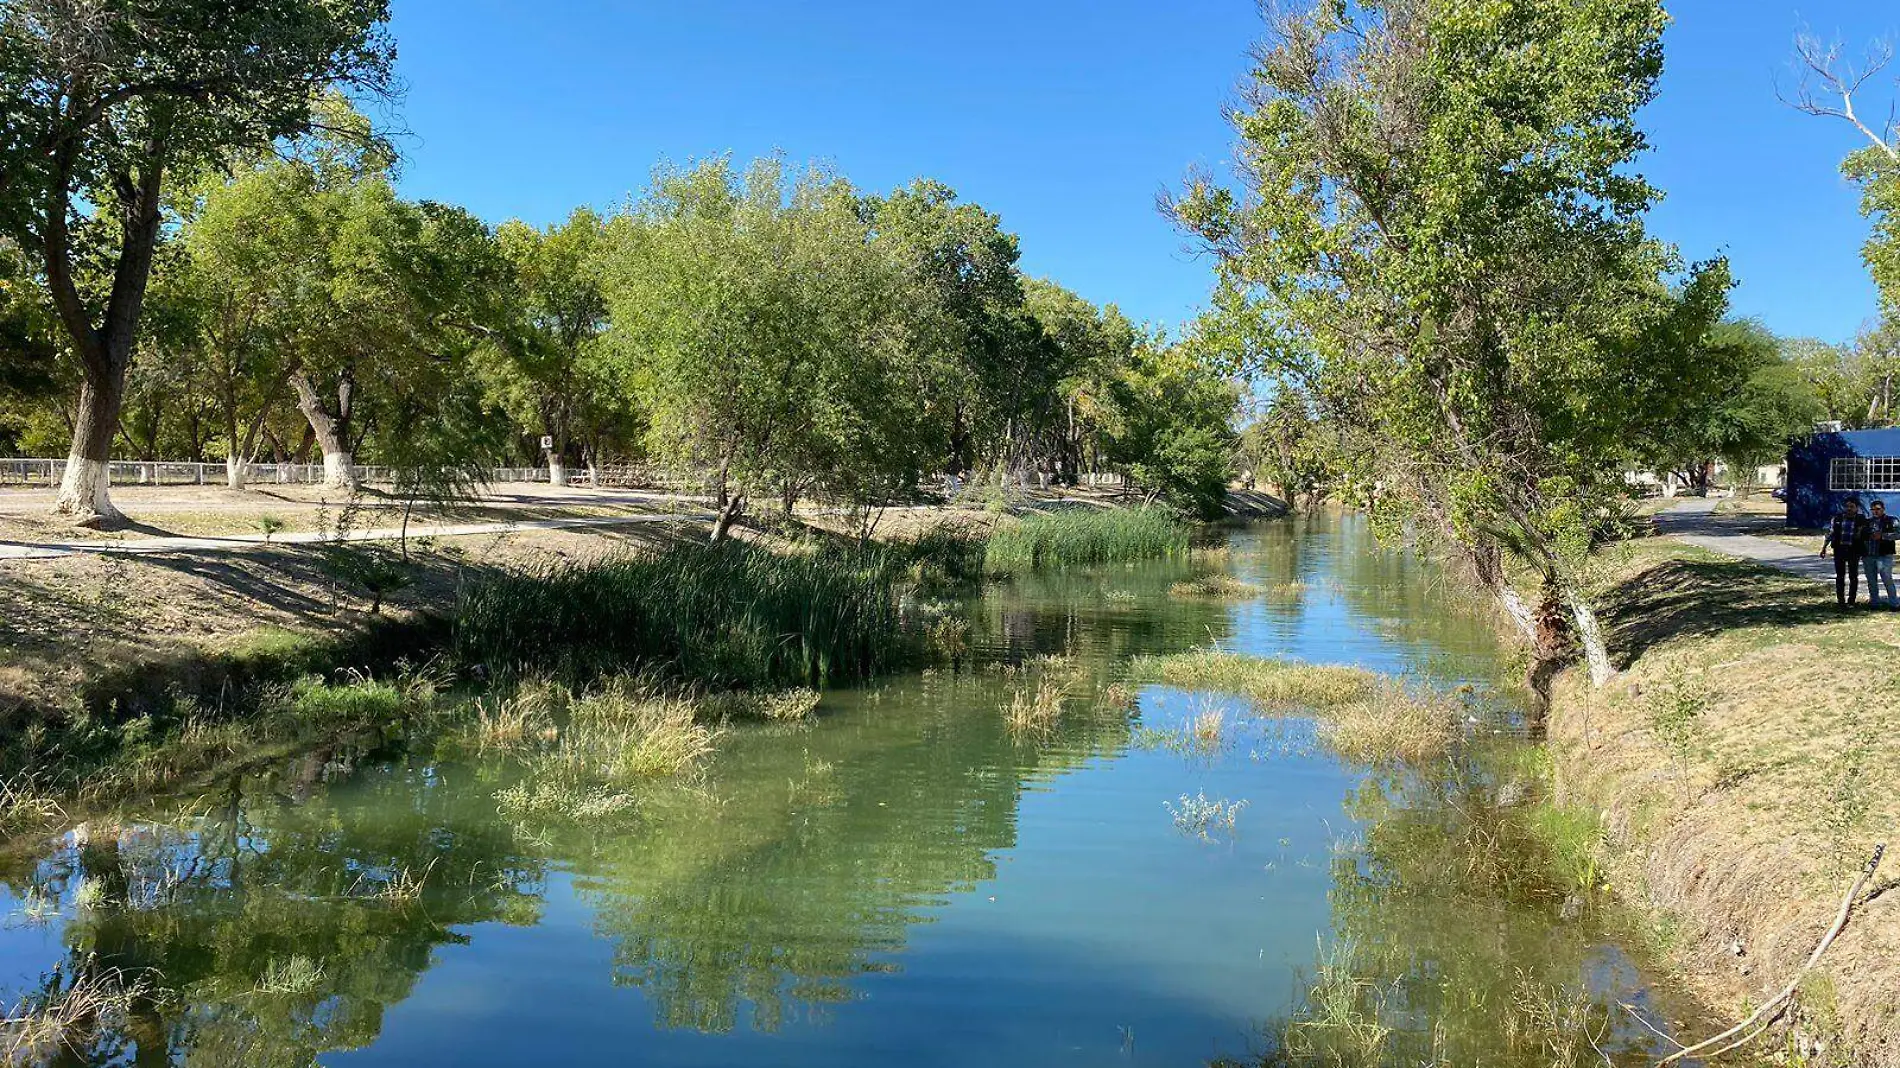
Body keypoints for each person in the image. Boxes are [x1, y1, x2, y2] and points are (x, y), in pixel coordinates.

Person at [1821, 497, 1868, 607]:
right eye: (1847, 506)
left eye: (1852, 507)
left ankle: (1851, 601)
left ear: (1857, 508)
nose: (1849, 509)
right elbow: (1830, 534)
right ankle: (1840, 601)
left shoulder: (1861, 519)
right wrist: (1824, 548)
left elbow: (1867, 535)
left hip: (1854, 551)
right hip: (1839, 550)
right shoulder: (1837, 518)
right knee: (1840, 576)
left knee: (1853, 576)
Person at [1864, 499, 1898, 609]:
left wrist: (1883, 536)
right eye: (1873, 509)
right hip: (1869, 554)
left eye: (1878, 509)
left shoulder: (1892, 520)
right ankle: (1874, 602)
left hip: (1884, 555)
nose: (1875, 511)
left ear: (1883, 509)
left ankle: (1894, 603)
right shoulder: (1868, 522)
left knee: (1887, 579)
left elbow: (1898, 534)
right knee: (1871, 580)